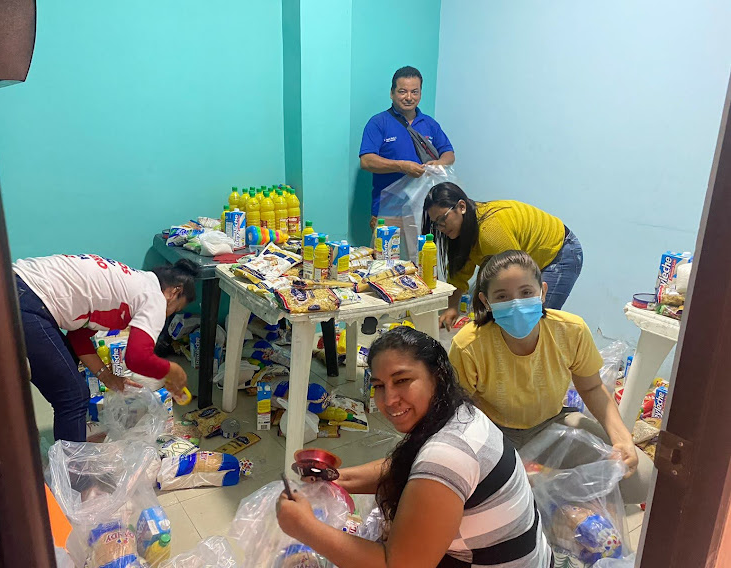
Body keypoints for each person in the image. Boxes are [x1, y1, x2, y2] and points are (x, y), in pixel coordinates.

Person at [277, 327, 551, 568]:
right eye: (379, 386)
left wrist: (304, 527)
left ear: (437, 375)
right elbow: (407, 467)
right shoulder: (461, 414)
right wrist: (336, 480)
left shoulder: (447, 456)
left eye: (402, 381)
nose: (389, 399)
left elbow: (397, 565)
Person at [448, 250, 652, 504]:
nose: (516, 304)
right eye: (502, 297)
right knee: (483, 492)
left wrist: (621, 439)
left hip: (552, 423)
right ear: (486, 301)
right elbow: (459, 411)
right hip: (493, 433)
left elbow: (591, 388)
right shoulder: (469, 345)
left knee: (640, 478)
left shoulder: (570, 330)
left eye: (526, 292)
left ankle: (562, 503)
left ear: (543, 292)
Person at [14, 253, 195, 442]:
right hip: (29, 300)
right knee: (74, 395)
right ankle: (72, 461)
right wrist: (173, 370)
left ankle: (68, 445)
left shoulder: (131, 285)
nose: (167, 315)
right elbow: (137, 358)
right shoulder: (154, 296)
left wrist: (108, 377)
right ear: (175, 291)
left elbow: (78, 338)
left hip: (15, 286)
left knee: (68, 368)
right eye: (175, 308)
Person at [422, 182, 582, 329]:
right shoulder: (463, 229)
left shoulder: (490, 232)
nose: (441, 227)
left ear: (461, 207)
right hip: (529, 258)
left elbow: (514, 280)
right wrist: (451, 307)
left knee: (533, 323)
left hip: (560, 251)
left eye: (443, 219)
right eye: (436, 223)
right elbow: (460, 272)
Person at [360, 66, 455, 259]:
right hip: (387, 208)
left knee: (420, 260)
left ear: (420, 93)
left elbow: (449, 154)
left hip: (423, 209)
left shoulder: (429, 124)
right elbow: (367, 161)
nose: (409, 97)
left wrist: (438, 164)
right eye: (402, 91)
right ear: (392, 93)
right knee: (384, 261)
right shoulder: (379, 122)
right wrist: (401, 166)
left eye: (415, 92)